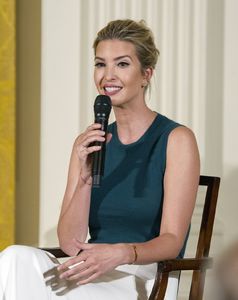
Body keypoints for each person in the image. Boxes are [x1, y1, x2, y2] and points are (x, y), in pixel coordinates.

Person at [0, 19, 200, 299]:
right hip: (89, 271)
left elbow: (172, 241)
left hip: (143, 275)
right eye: (100, 64)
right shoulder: (88, 143)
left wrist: (121, 253)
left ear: (146, 74)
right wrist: (84, 178)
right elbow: (71, 243)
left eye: (122, 64)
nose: (108, 75)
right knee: (13, 258)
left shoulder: (176, 139)